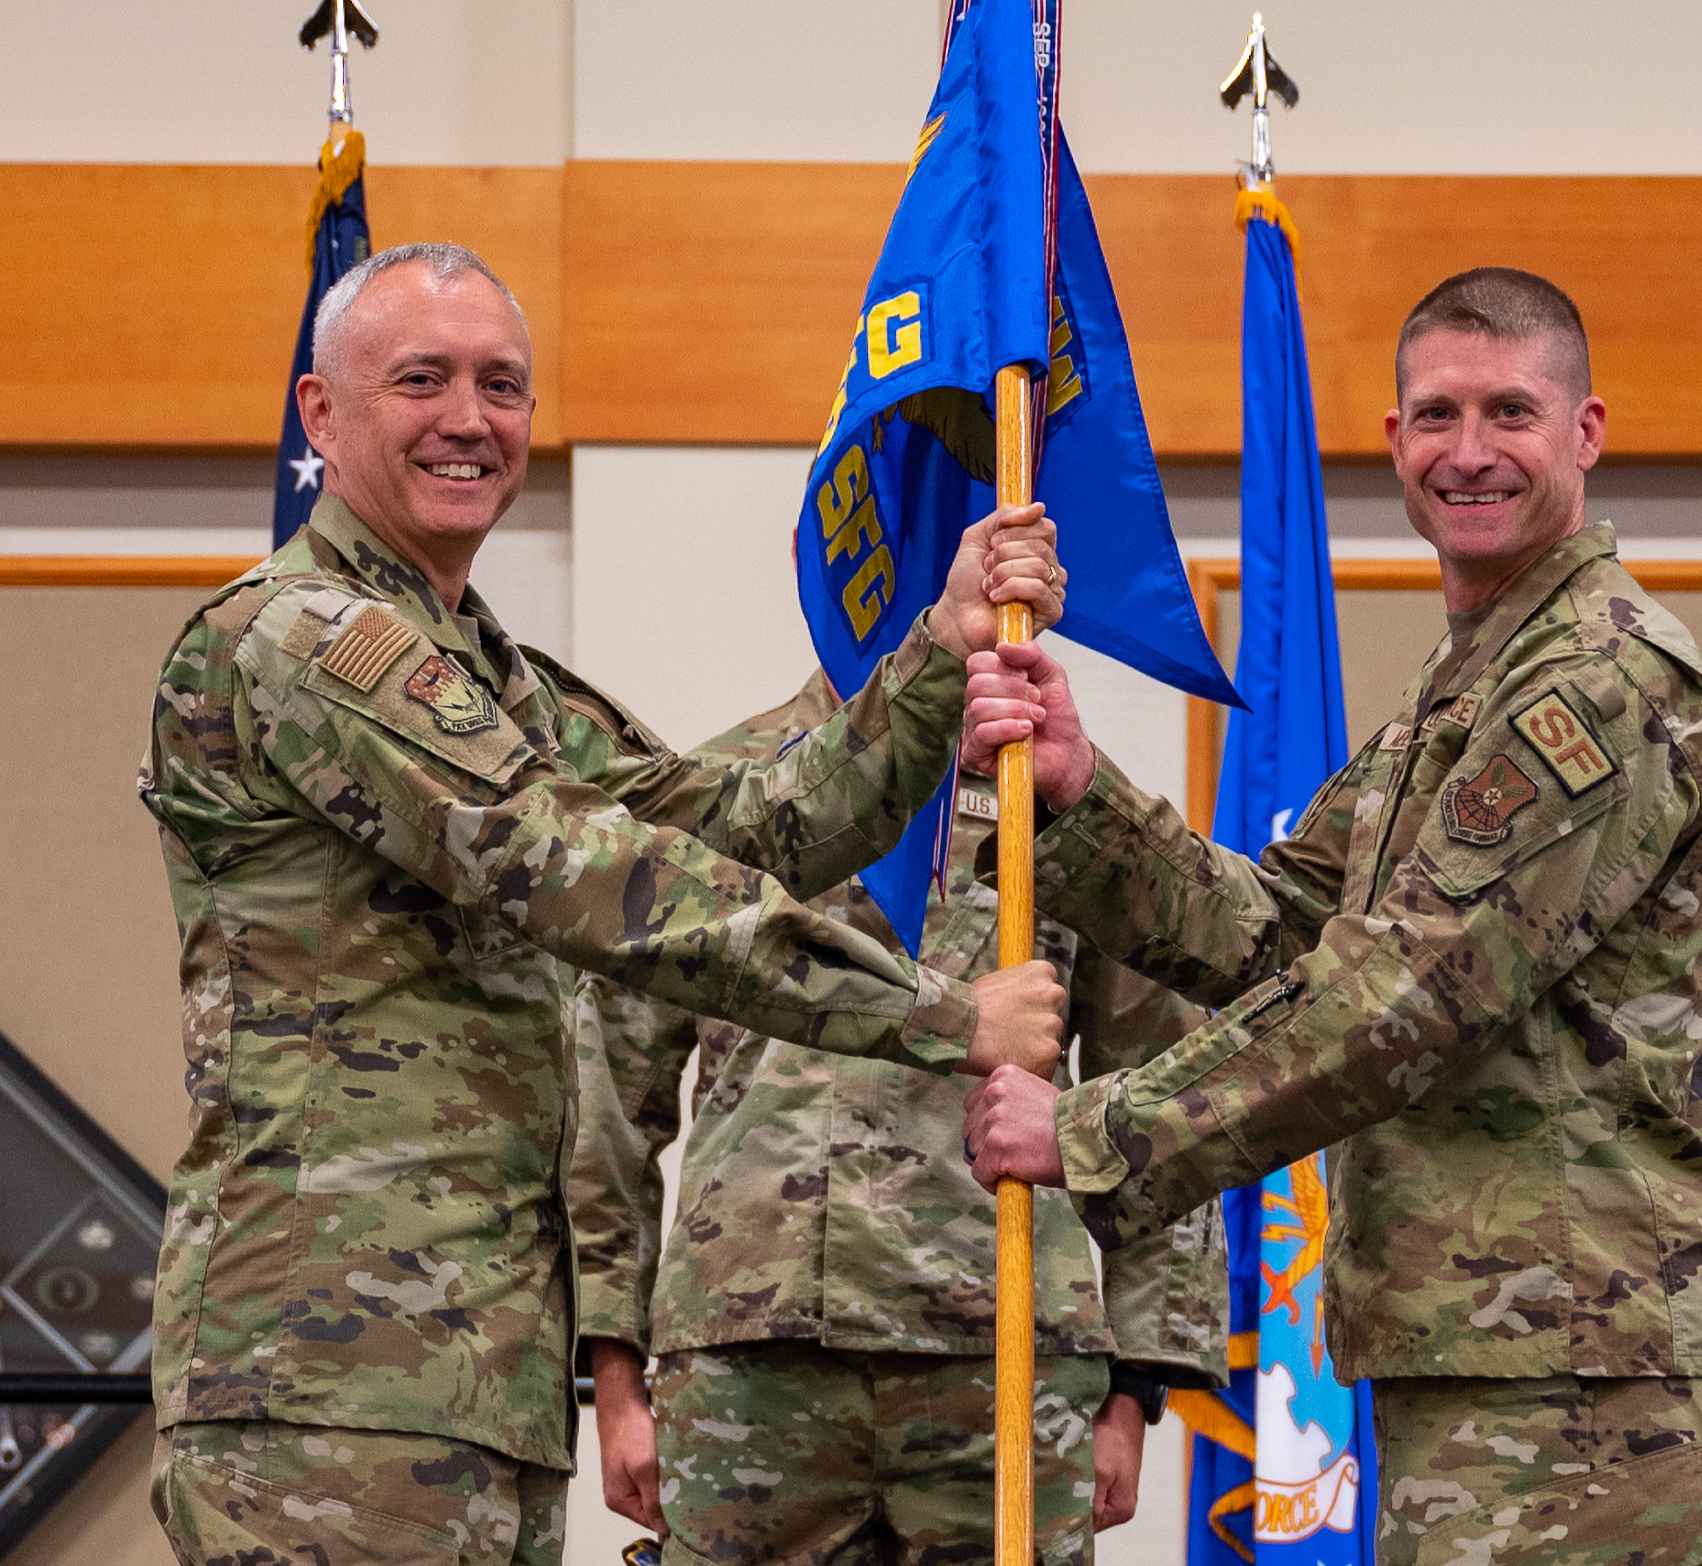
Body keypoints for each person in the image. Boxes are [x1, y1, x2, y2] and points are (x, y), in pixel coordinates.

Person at [138, 242, 1069, 1566]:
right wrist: (936, 1013)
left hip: (473, 1368)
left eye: (502, 385)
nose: (471, 418)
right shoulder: (299, 640)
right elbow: (602, 882)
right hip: (323, 1368)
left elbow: (742, 823)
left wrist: (939, 648)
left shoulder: (492, 675)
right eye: (422, 379)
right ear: (320, 414)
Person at [962, 268, 1702, 1566]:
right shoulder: (1463, 692)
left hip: (1572, 1363)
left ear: (1583, 432)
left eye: (1508, 411)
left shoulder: (1600, 684)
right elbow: (1277, 928)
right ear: (1391, 442)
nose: (1467, 452)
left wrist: (1098, 1131)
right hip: (1483, 1348)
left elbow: (1399, 999)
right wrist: (1077, 792)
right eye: (1435, 415)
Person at [567, 670, 1229, 1566]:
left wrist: (1137, 1387)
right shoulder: (718, 792)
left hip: (1006, 1360)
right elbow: (609, 1104)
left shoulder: (1059, 799)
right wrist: (612, 1376)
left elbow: (1154, 1097)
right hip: (750, 1362)